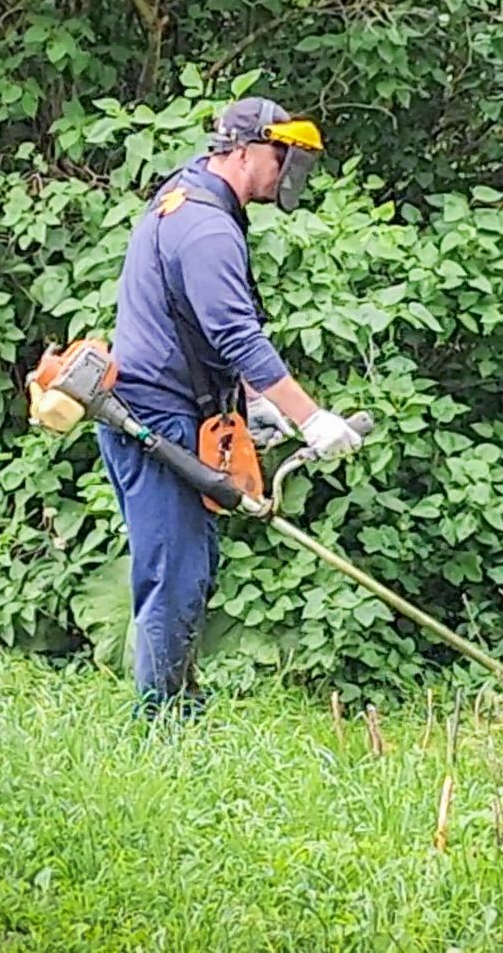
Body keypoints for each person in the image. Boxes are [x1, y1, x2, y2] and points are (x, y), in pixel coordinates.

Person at [101, 96, 363, 717]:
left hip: (174, 408)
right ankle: (161, 725)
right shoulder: (207, 228)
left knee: (190, 565)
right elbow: (236, 335)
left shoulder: (191, 194)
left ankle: (180, 704)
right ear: (244, 150)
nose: (285, 173)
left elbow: (190, 323)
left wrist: (252, 404)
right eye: (281, 157)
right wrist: (311, 418)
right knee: (174, 574)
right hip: (154, 420)